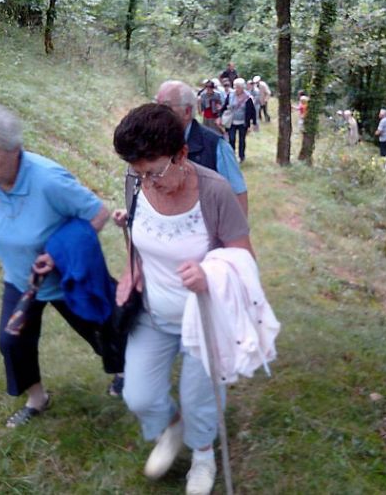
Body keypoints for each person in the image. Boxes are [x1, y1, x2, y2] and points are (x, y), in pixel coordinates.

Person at [113, 103, 255, 495]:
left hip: (204, 317)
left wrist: (210, 274)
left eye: (155, 172)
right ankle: (172, 427)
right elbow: (143, 239)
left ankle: (203, 455)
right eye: (139, 172)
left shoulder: (215, 192)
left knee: (199, 400)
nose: (147, 181)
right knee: (138, 396)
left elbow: (245, 260)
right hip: (153, 314)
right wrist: (132, 266)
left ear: (182, 154)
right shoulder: (136, 181)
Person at [0, 104, 124, 428]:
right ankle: (37, 399)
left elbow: (98, 214)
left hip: (68, 276)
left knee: (102, 327)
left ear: (14, 148)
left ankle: (125, 371)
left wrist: (59, 254)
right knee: (12, 341)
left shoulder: (49, 180)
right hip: (22, 281)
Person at [154, 80, 248, 215]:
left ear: (187, 111)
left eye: (165, 106)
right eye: (155, 104)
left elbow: (237, 193)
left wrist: (237, 227)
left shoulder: (216, 146)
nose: (157, 112)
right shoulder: (154, 142)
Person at [221, 77, 257, 163]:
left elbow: (252, 111)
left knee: (242, 140)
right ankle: (232, 155)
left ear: (242, 87)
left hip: (243, 122)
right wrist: (219, 115)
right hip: (231, 121)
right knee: (231, 138)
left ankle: (241, 156)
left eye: (238, 87)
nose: (236, 89)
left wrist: (254, 122)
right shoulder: (230, 95)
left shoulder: (248, 97)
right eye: (235, 86)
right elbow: (224, 106)